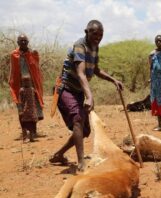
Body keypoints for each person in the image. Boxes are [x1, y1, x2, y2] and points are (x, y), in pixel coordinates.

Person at [49, 20, 123, 171]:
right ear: (86, 32)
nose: (98, 37)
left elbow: (95, 70)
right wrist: (89, 96)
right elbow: (81, 73)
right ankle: (81, 162)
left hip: (78, 91)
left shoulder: (95, 47)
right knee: (77, 120)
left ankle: (59, 154)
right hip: (66, 89)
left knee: (85, 130)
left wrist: (113, 80)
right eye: (94, 34)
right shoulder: (80, 46)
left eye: (101, 34)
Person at [9, 34, 44, 141]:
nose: (23, 42)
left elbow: (36, 71)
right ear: (17, 42)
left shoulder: (32, 54)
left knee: (33, 109)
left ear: (28, 42)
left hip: (32, 87)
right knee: (21, 109)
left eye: (25, 40)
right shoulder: (14, 55)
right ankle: (24, 133)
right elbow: (13, 72)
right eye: (21, 40)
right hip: (19, 87)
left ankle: (33, 132)